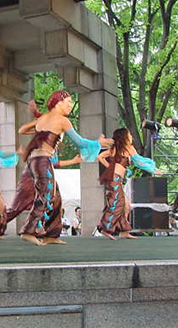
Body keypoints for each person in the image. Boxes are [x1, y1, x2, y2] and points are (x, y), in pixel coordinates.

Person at [14, 90, 113, 245]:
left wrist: (42, 129)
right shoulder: (62, 120)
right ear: (58, 103)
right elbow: (80, 142)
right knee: (45, 195)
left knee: (56, 197)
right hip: (43, 161)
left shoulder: (43, 118)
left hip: (34, 161)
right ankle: (28, 230)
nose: (70, 105)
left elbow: (22, 130)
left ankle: (52, 234)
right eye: (68, 102)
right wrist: (100, 142)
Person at [97, 127, 160, 240]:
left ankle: (124, 231)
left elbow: (139, 161)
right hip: (114, 179)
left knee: (126, 205)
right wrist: (111, 168)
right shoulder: (117, 149)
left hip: (118, 180)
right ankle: (105, 228)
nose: (131, 137)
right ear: (124, 137)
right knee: (119, 203)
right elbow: (100, 157)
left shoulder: (128, 149)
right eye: (129, 134)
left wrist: (153, 169)